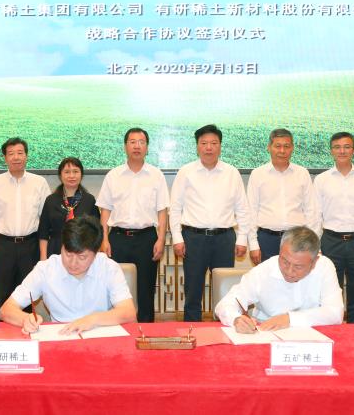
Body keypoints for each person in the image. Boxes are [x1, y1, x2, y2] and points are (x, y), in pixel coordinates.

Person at [0, 215, 137, 334]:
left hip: (98, 336)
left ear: (96, 253)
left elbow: (128, 312)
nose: (73, 263)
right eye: (68, 254)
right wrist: (25, 319)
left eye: (82, 257)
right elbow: (5, 310)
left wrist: (92, 320)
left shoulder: (108, 268)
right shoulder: (46, 269)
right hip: (61, 337)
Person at [169, 124, 252, 322]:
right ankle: (192, 330)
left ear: (220, 146)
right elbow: (175, 208)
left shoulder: (231, 173)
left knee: (224, 290)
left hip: (224, 239)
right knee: (193, 290)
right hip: (193, 238)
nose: (209, 147)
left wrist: (242, 239)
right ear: (197, 146)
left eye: (214, 143)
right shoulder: (186, 172)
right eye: (204, 143)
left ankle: (223, 329)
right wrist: (177, 238)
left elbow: (242, 208)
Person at [97, 128, 169, 322]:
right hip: (118, 238)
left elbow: (162, 211)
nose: (137, 146)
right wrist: (104, 239)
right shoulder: (113, 175)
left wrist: (161, 239)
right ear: (125, 146)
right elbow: (105, 210)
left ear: (147, 147)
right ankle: (117, 328)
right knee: (116, 288)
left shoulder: (156, 175)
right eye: (132, 142)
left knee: (146, 289)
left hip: (147, 239)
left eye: (141, 142)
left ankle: (145, 329)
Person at [214, 226, 344, 332]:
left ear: (314, 262)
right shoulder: (263, 271)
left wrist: (289, 319)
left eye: (298, 266)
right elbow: (224, 305)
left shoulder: (324, 267)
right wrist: (236, 319)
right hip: (266, 334)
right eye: (285, 261)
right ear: (280, 251)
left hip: (310, 336)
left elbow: (335, 313)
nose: (289, 271)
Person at [0, 137, 51, 314]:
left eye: (20, 153)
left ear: (26, 156)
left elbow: (46, 218)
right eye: (11, 154)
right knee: (3, 294)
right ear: (5, 158)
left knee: (28, 294)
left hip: (30, 245)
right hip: (2, 246)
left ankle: (26, 329)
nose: (16, 157)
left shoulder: (39, 182)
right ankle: (2, 330)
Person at [313, 131, 354, 324]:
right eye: (337, 147)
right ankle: (334, 331)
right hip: (331, 241)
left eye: (347, 147)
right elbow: (316, 216)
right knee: (330, 291)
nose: (342, 151)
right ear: (331, 151)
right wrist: (315, 246)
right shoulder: (321, 180)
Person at [246, 128, 317, 265]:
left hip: (297, 239)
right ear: (269, 147)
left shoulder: (302, 173)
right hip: (267, 239)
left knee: (297, 276)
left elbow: (311, 210)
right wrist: (253, 244)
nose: (282, 151)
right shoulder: (258, 174)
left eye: (287, 146)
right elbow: (251, 210)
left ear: (292, 148)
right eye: (277, 146)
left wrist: (312, 242)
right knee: (268, 277)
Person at [38, 157, 99, 259]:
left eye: (75, 171)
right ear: (60, 175)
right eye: (67, 172)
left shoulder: (89, 200)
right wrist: (43, 258)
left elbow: (96, 231)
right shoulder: (51, 200)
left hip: (82, 251)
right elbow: (43, 233)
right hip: (55, 251)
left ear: (81, 175)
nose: (71, 176)